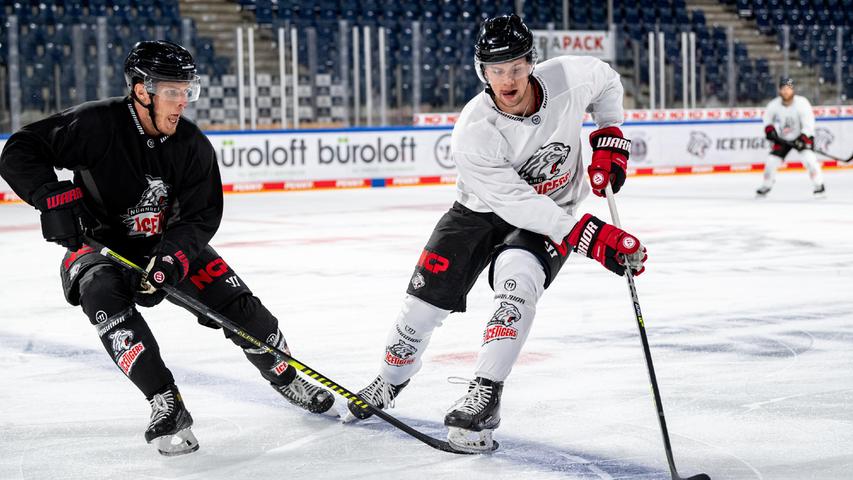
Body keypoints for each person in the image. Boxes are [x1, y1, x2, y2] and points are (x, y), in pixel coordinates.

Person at [0, 40, 334, 456]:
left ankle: (285, 375)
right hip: (100, 245)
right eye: (173, 91)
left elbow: (200, 216)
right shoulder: (95, 124)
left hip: (165, 245)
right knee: (100, 295)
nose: (182, 103)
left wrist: (172, 258)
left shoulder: (192, 145)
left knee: (245, 312)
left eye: (187, 91)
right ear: (142, 90)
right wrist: (50, 196)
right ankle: (165, 401)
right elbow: (20, 149)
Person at [344, 14, 646, 452]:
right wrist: (590, 236)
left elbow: (608, 83)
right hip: (480, 211)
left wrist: (609, 135)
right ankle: (390, 380)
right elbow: (516, 204)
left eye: (517, 67)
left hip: (555, 208)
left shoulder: (569, 77)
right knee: (418, 312)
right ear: (481, 71)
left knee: (518, 283)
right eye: (497, 69)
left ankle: (485, 393)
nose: (508, 79)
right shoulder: (474, 130)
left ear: (532, 63)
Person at [757, 77, 825, 196]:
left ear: (793, 90)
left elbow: (808, 122)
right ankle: (766, 185)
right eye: (783, 88)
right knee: (771, 162)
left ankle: (819, 185)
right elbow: (767, 119)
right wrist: (769, 130)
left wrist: (803, 137)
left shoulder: (802, 103)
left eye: (788, 88)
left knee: (810, 160)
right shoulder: (774, 104)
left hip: (802, 138)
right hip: (783, 139)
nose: (786, 91)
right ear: (779, 90)